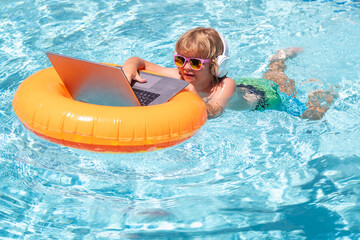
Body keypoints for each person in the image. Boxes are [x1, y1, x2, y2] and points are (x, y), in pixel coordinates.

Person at [122, 27, 236, 118]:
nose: (186, 67)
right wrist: (129, 67)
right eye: (180, 60)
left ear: (216, 64)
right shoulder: (178, 75)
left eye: (195, 63)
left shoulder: (224, 85)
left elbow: (213, 113)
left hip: (250, 96)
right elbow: (138, 61)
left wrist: (191, 90)